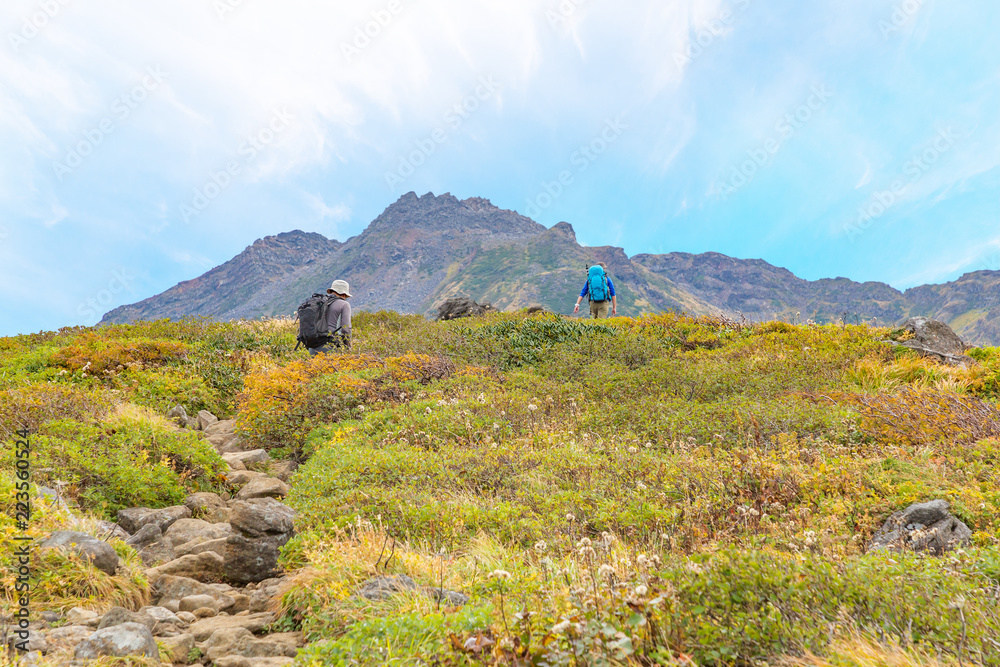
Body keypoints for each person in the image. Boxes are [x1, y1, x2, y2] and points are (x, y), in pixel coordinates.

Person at [309, 279, 353, 356]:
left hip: (312, 348)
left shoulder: (319, 303)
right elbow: (346, 329)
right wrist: (348, 348)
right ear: (344, 294)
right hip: (330, 348)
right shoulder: (344, 304)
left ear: (332, 291)